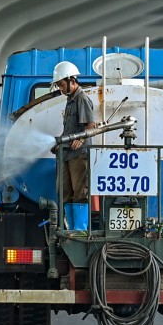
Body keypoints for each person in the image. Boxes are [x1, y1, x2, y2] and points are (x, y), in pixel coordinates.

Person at [50, 61, 96, 230]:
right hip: (67, 153)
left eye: (62, 85)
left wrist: (81, 140)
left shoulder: (82, 99)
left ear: (72, 81)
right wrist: (58, 144)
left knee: (79, 192)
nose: (61, 89)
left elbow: (91, 125)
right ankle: (70, 229)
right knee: (66, 192)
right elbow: (69, 128)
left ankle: (80, 229)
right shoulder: (70, 101)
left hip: (78, 154)